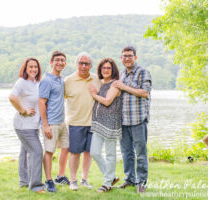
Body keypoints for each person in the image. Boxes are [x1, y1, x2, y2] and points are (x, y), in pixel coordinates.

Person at [113, 46, 152, 193]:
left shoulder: (143, 72)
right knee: (126, 153)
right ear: (121, 58)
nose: (127, 58)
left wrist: (124, 86)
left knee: (141, 153)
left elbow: (144, 93)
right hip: (123, 121)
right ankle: (129, 180)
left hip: (138, 120)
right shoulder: (121, 74)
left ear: (135, 57)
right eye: (124, 56)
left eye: (130, 55)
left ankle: (141, 183)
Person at [64, 52, 101, 190]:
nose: (83, 66)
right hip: (75, 123)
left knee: (89, 153)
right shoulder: (68, 80)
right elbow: (58, 100)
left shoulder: (97, 79)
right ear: (76, 64)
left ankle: (84, 179)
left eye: (87, 64)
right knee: (74, 153)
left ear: (91, 66)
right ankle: (73, 181)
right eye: (81, 63)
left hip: (93, 123)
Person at [9, 57, 45, 194]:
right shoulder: (22, 82)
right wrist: (22, 110)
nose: (33, 69)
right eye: (30, 67)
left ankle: (24, 182)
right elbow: (12, 97)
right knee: (36, 151)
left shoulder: (35, 83)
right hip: (23, 125)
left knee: (25, 153)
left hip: (32, 125)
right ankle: (36, 186)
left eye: (35, 67)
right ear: (25, 68)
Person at [88, 58, 122, 193]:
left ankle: (107, 183)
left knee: (110, 154)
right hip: (98, 123)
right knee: (94, 152)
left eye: (108, 68)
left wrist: (93, 94)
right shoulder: (103, 84)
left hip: (110, 123)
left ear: (113, 70)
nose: (106, 70)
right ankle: (111, 177)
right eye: (103, 68)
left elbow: (107, 101)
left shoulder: (115, 84)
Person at [39, 51, 70, 193]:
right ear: (51, 62)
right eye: (57, 60)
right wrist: (45, 125)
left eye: (62, 60)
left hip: (62, 122)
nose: (60, 62)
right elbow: (41, 102)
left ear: (65, 63)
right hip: (51, 122)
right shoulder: (46, 80)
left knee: (67, 147)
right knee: (49, 151)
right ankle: (48, 180)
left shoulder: (60, 79)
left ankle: (60, 176)